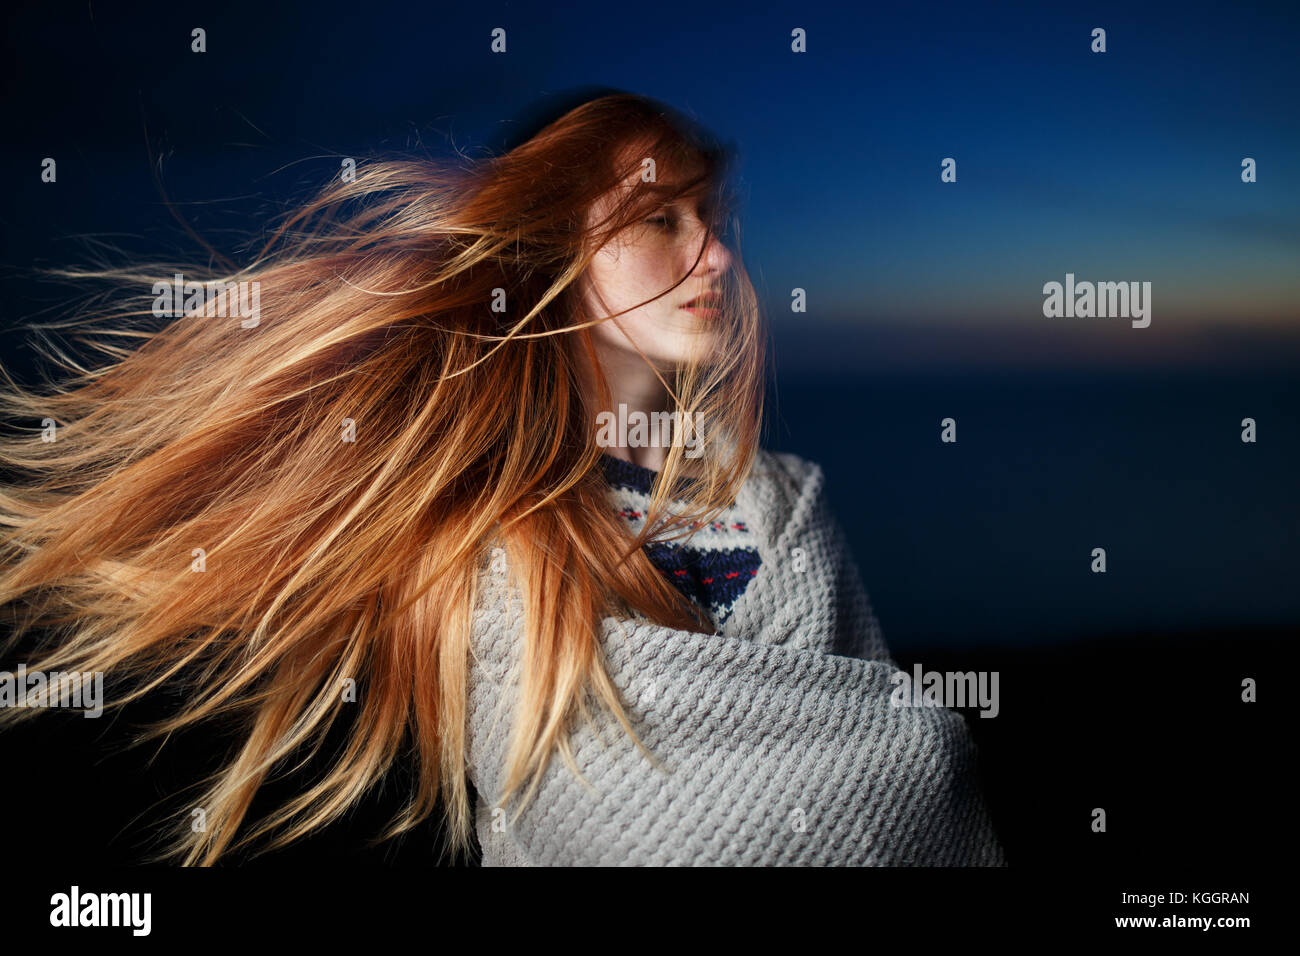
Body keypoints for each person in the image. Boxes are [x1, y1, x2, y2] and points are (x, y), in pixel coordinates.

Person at [0, 90, 1004, 866]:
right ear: (554, 246)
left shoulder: (788, 503)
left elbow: (905, 759)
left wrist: (912, 759)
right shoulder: (465, 527)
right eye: (660, 216)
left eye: (713, 216)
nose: (713, 253)